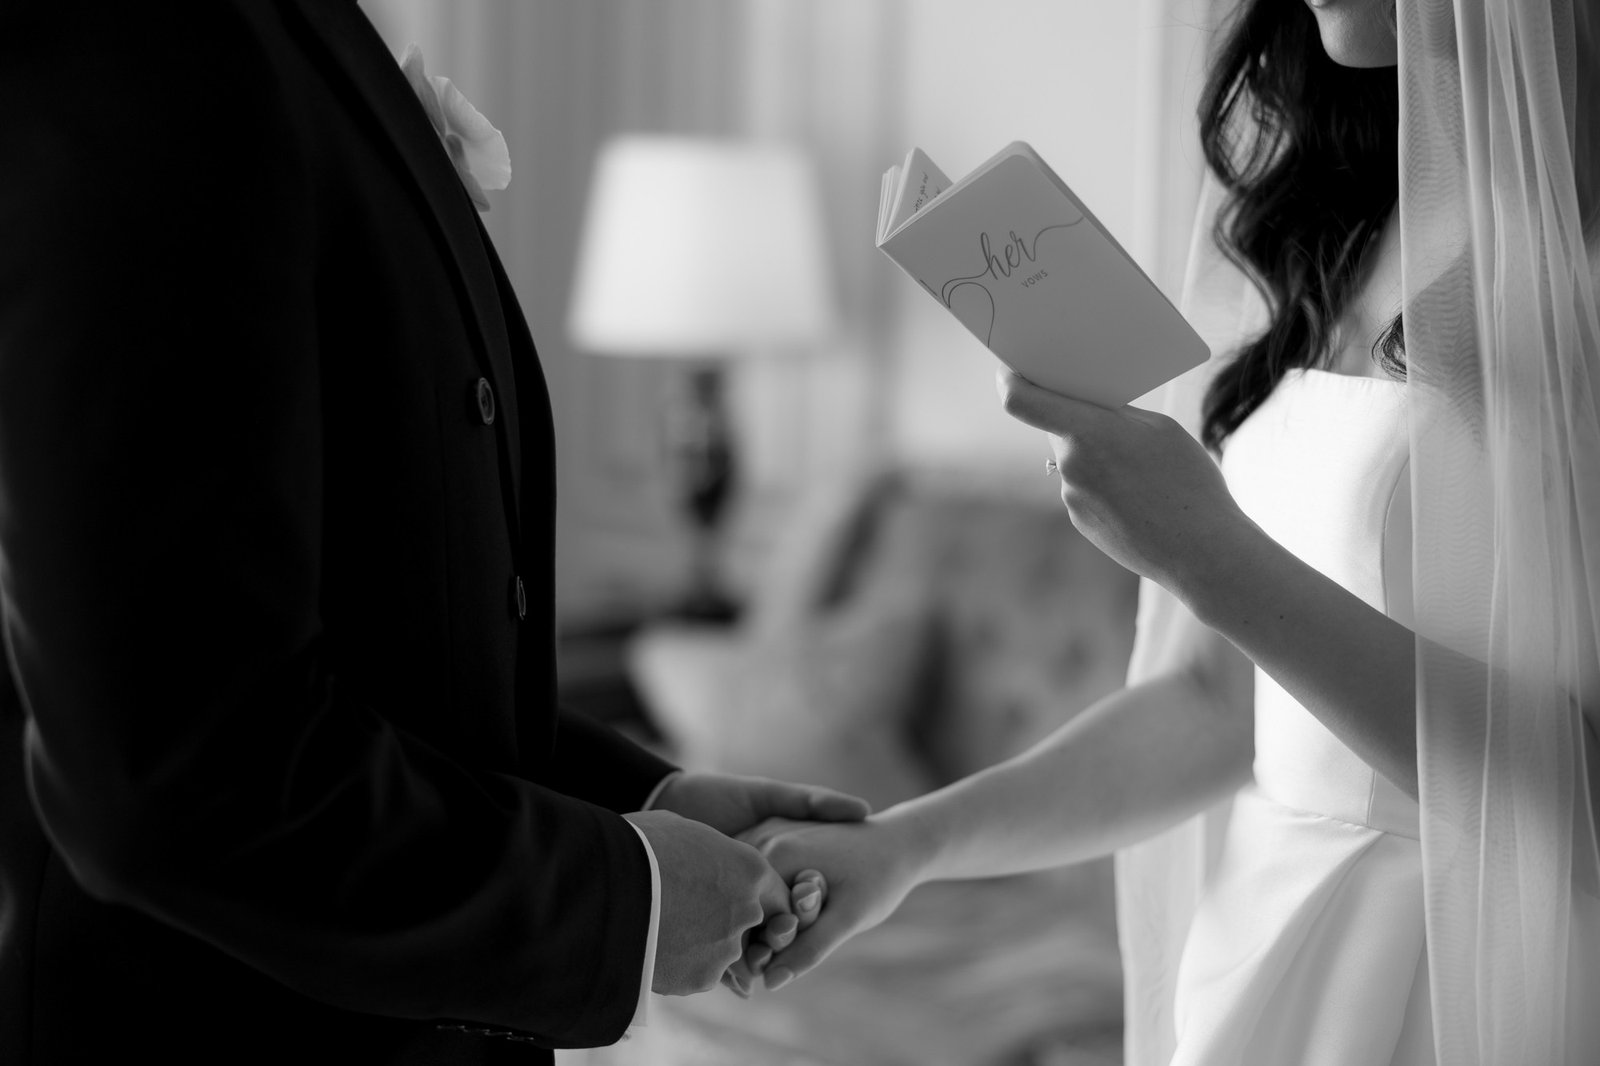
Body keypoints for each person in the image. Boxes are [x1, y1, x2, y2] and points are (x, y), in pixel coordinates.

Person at [0, 1, 861, 1062]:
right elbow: (178, 770)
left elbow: (358, 619)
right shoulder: (152, 40)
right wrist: (623, 897)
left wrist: (636, 800)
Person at [740, 0, 1600, 1063]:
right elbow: (1215, 704)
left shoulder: (1577, 264)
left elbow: (1580, 790)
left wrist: (1203, 554)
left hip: (1489, 971)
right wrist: (907, 847)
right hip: (1273, 932)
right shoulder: (1345, 219)